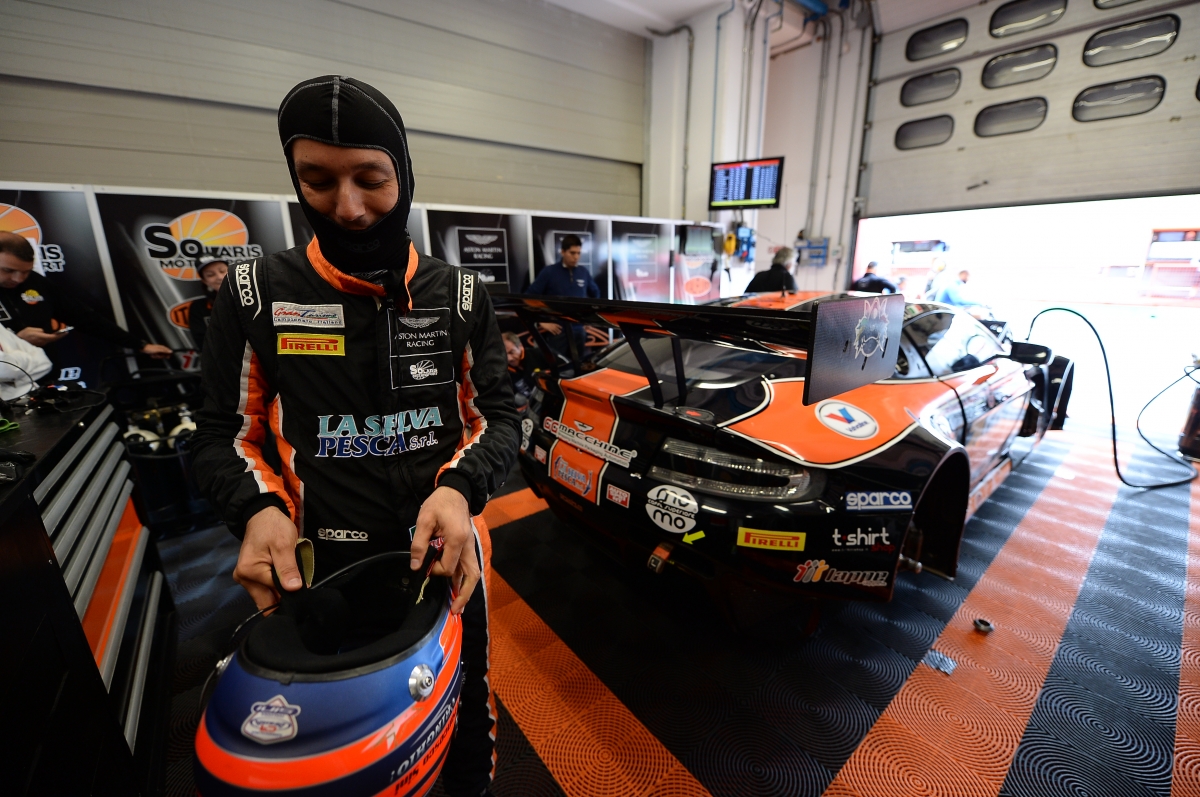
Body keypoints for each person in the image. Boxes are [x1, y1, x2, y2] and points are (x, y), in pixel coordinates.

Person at [191, 76, 520, 797]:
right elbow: (221, 434)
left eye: (371, 179)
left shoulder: (460, 295)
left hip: (445, 553)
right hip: (313, 568)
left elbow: (499, 418)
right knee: (325, 750)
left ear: (403, 174)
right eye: (317, 180)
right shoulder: (254, 295)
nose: (347, 207)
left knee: (465, 708)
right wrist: (257, 509)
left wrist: (460, 491)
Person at [0, 231, 173, 362]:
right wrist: (17, 340)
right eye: (8, 270)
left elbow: (84, 318)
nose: (18, 279)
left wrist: (140, 345)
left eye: (26, 271)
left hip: (40, 379)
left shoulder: (36, 282)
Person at [525, 234, 599, 359]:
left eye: (578, 253)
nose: (576, 257)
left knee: (579, 366)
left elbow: (596, 294)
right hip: (558, 331)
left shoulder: (583, 272)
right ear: (563, 252)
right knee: (559, 365)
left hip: (578, 330)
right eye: (572, 253)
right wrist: (541, 321)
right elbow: (529, 297)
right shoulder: (549, 272)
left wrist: (590, 318)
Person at [187, 255, 229, 353]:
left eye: (222, 271)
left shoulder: (256, 296)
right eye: (210, 275)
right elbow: (204, 344)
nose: (220, 277)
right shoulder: (199, 308)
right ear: (205, 281)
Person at [0, 322, 51, 400]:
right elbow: (7, 369)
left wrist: (13, 379)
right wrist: (23, 356)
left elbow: (43, 361)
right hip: (9, 403)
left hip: (33, 398)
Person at [502, 331, 533, 410]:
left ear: (520, 346)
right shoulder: (503, 373)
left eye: (511, 352)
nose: (509, 359)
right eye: (504, 355)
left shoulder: (539, 355)